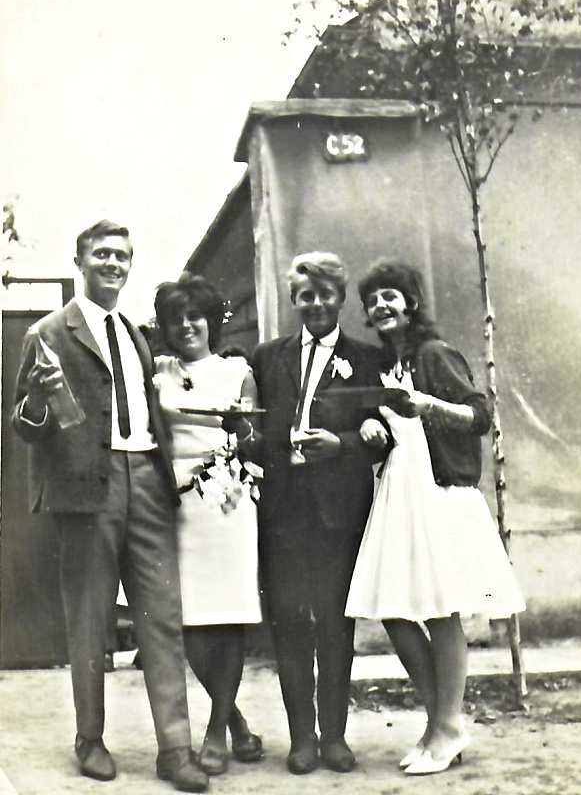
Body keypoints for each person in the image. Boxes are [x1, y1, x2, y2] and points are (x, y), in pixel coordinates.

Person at [11, 220, 208, 793]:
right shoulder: (48, 332)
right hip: (86, 491)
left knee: (162, 617)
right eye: (101, 254)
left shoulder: (135, 332)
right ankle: (90, 739)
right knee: (90, 619)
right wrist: (36, 398)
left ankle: (175, 749)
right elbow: (24, 426)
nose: (113, 263)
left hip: (147, 478)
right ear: (79, 261)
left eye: (122, 255)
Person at [345, 260, 526, 776]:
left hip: (437, 492)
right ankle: (442, 721)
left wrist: (428, 405)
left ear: (411, 302)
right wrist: (371, 428)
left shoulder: (433, 354)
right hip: (398, 492)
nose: (380, 305)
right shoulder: (384, 364)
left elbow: (480, 417)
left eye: (390, 295)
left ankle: (444, 727)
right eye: (372, 299)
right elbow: (386, 426)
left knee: (441, 610)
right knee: (395, 611)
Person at [229, 252, 387, 776]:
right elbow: (252, 424)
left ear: (340, 298)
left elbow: (383, 433)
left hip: (337, 512)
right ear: (294, 299)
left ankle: (335, 736)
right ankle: (301, 737)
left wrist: (342, 444)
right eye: (306, 295)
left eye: (325, 294)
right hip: (282, 511)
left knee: (336, 626)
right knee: (290, 623)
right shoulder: (267, 357)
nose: (316, 303)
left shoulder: (366, 359)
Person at [153, 274, 263, 777]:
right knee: (190, 622)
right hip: (175, 505)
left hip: (227, 500)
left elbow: (254, 437)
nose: (186, 326)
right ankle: (235, 719)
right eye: (176, 319)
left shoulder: (237, 371)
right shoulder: (158, 373)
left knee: (228, 615)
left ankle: (216, 732)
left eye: (194, 315)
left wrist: (242, 428)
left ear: (211, 321)